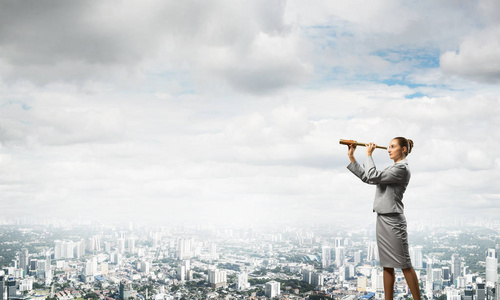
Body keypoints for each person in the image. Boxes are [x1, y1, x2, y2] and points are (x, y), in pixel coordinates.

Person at [346, 137, 421, 300]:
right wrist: (352, 157)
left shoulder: (402, 169)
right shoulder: (392, 168)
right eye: (388, 147)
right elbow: (368, 177)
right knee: (387, 265)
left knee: (405, 264)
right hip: (382, 219)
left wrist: (368, 154)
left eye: (393, 147)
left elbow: (372, 175)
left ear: (403, 149)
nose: (388, 149)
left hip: (394, 221)